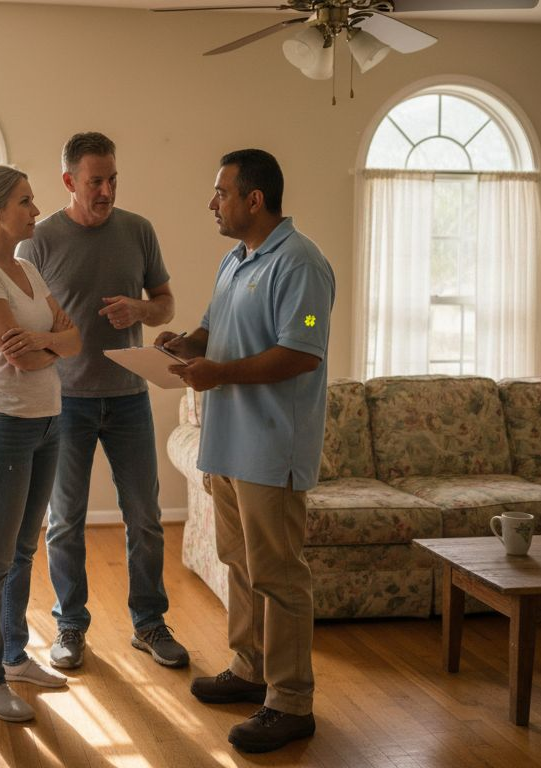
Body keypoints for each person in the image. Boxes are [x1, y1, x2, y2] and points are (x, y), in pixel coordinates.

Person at [156, 149, 334, 753]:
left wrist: (220, 372)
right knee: (239, 562)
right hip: (227, 443)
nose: (212, 202)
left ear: (253, 200)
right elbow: (212, 329)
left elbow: (302, 352)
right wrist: (185, 343)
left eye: (220, 192)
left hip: (271, 448)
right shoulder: (236, 259)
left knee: (279, 576)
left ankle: (290, 702)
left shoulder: (301, 264)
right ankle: (249, 668)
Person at [17, 132, 189, 670]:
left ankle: (149, 624)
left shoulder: (138, 231)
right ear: (70, 182)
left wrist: (140, 312)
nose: (107, 190)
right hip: (64, 402)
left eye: (113, 179)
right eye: (96, 181)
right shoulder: (38, 243)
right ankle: (70, 626)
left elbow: (165, 306)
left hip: (129, 400)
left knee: (145, 516)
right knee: (65, 520)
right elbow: (23, 324)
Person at [0, 165, 82, 723]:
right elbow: (20, 358)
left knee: (24, 550)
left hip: (48, 420)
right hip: (1, 426)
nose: (36, 209)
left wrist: (48, 340)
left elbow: (74, 339)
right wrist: (50, 345)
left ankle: (13, 655)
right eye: (26, 201)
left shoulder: (27, 267)